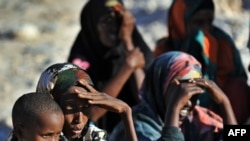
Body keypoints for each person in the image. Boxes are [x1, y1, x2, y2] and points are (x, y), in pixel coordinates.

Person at [154, 0, 250, 124]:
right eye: (198, 22)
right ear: (180, 21)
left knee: (238, 87)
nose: (205, 29)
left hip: (224, 117)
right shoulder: (165, 52)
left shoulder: (223, 43)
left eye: (209, 22)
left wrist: (223, 102)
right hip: (178, 120)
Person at [67, 0, 154, 133]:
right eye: (106, 21)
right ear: (93, 24)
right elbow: (92, 114)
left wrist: (128, 42)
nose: (113, 27)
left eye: (118, 21)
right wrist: (127, 68)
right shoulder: (81, 60)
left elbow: (147, 100)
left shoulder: (131, 49)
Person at [109, 51, 237, 141]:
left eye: (193, 96)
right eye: (180, 94)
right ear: (160, 87)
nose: (188, 103)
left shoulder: (197, 120)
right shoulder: (137, 127)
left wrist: (225, 104)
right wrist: (174, 108)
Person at [36, 62, 138, 141]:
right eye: (69, 108)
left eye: (86, 107)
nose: (79, 119)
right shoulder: (30, 135)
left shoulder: (94, 137)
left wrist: (126, 112)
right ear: (49, 103)